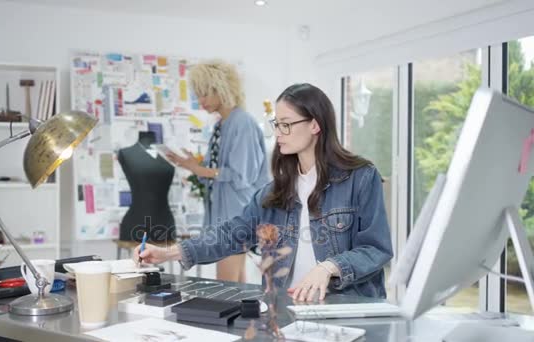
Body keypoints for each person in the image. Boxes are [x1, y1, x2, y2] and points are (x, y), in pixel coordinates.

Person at [144, 83, 392, 302]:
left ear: (315, 125)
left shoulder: (361, 177)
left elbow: (376, 249)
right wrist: (169, 252)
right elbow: (231, 235)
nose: (278, 133)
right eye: (277, 124)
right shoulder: (273, 193)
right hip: (286, 310)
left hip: (346, 308)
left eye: (286, 125)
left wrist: (329, 267)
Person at [166, 59, 269, 282]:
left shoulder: (242, 123)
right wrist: (194, 166)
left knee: (226, 282)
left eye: (205, 94)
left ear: (222, 89)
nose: (200, 101)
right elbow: (220, 172)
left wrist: (199, 169)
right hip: (225, 214)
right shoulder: (221, 125)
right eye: (198, 95)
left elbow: (242, 176)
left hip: (237, 213)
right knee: (237, 284)